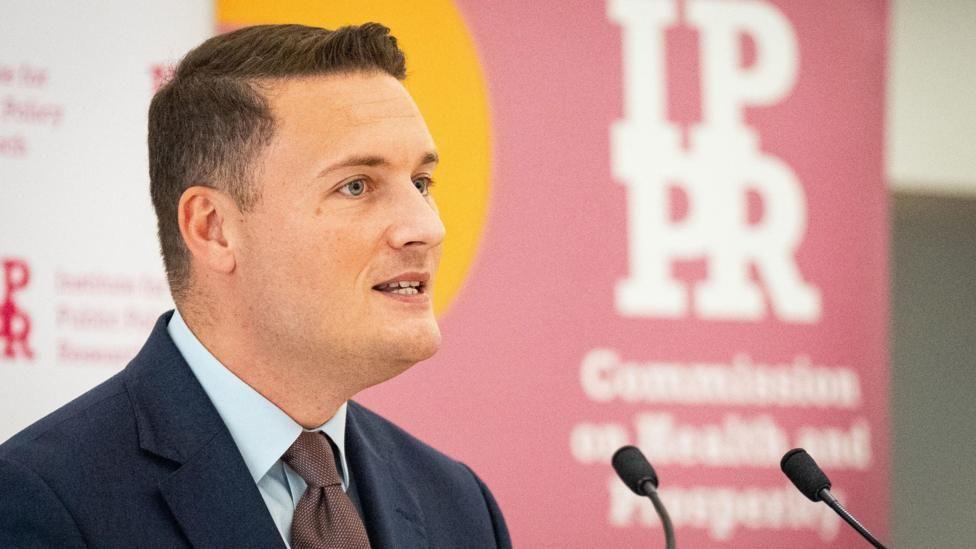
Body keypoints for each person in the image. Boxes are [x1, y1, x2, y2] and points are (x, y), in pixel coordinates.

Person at [0, 23, 511, 548]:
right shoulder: (42, 502)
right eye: (356, 186)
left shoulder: (460, 507)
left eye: (421, 184)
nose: (426, 228)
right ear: (213, 228)